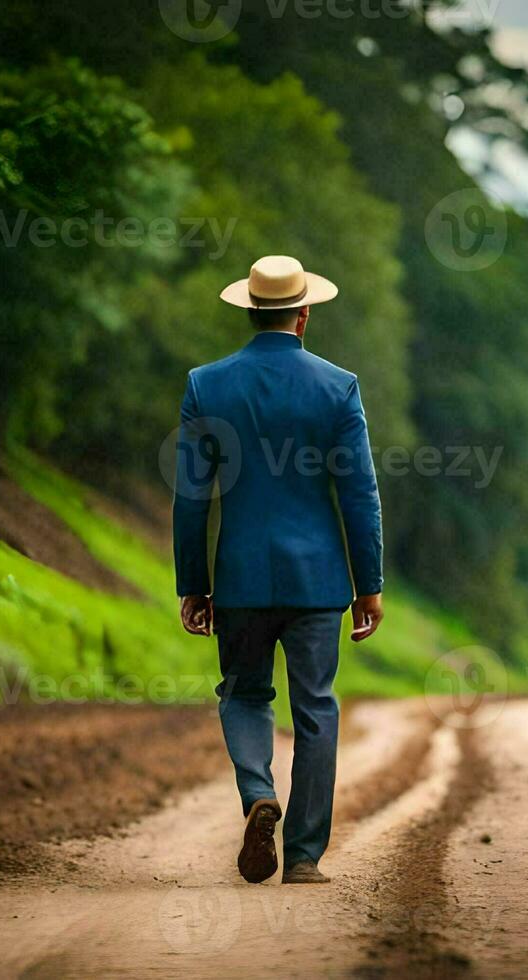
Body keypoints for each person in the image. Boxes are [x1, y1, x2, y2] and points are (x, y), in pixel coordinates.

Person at [173, 254, 384, 885]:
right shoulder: (337, 386)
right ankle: (302, 856)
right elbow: (360, 493)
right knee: (315, 707)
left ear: (248, 309)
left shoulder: (206, 385)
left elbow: (191, 497)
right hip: (319, 584)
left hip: (239, 578)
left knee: (243, 693)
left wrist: (194, 584)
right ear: (304, 312)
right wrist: (368, 585)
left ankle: (258, 791)